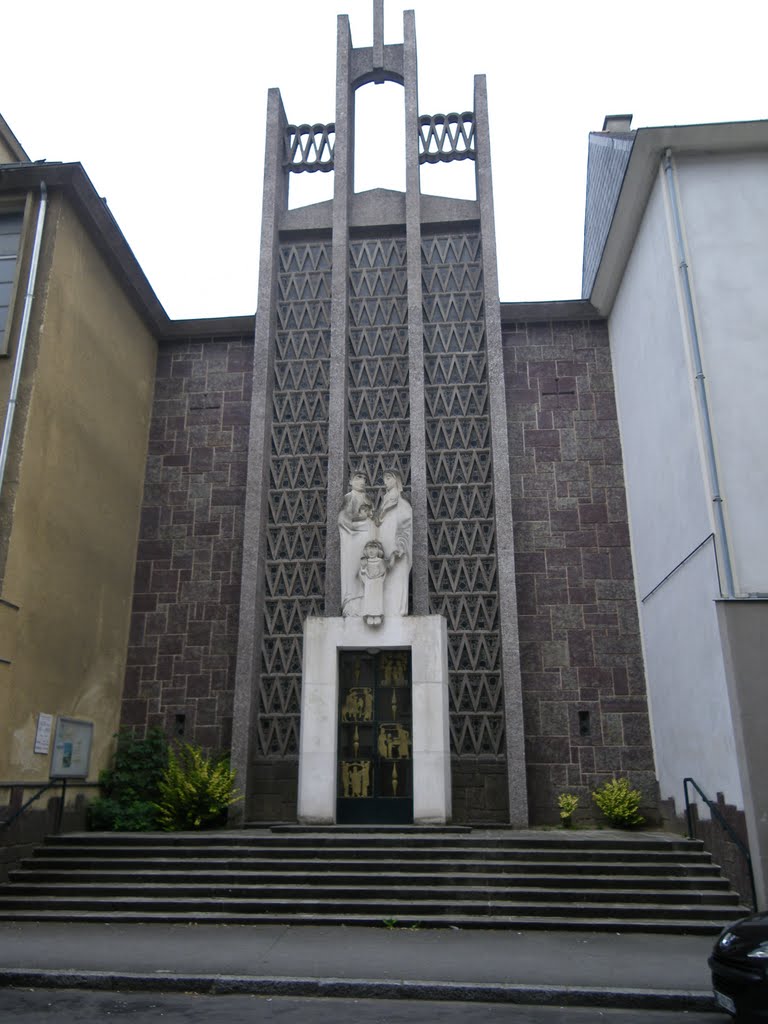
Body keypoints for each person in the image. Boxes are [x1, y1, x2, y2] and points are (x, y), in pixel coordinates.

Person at [374, 470, 412, 616]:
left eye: (388, 478)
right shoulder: (384, 503)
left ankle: (398, 612)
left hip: (396, 551)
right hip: (382, 549)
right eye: (384, 479)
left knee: (397, 581)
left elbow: (405, 527)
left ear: (396, 480)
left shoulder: (402, 504)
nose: (385, 482)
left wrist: (399, 547)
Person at [338, 472, 373, 616]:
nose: (362, 481)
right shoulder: (349, 497)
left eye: (364, 479)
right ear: (351, 481)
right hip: (353, 540)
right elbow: (343, 518)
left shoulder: (368, 499)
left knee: (365, 570)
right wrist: (362, 523)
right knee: (352, 571)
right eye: (359, 478)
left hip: (367, 540)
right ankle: (351, 605)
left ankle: (368, 604)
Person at [359, 539, 386, 625]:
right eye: (369, 549)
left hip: (377, 583)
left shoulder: (380, 561)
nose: (371, 551)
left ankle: (377, 615)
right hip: (369, 583)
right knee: (369, 599)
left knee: (377, 599)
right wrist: (364, 570)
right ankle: (369, 615)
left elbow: (383, 571)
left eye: (374, 548)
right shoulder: (366, 562)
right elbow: (362, 572)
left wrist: (376, 577)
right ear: (366, 550)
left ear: (378, 550)